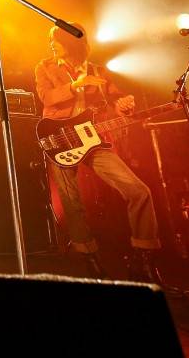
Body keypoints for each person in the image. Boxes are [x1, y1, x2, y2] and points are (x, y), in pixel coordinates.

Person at [34, 23, 162, 282]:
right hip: (59, 139)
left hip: (93, 140)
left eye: (55, 40)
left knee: (139, 191)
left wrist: (124, 104)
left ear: (71, 42)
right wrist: (76, 85)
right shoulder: (44, 67)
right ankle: (88, 257)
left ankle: (143, 256)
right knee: (72, 203)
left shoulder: (98, 71)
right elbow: (46, 97)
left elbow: (115, 99)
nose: (51, 44)